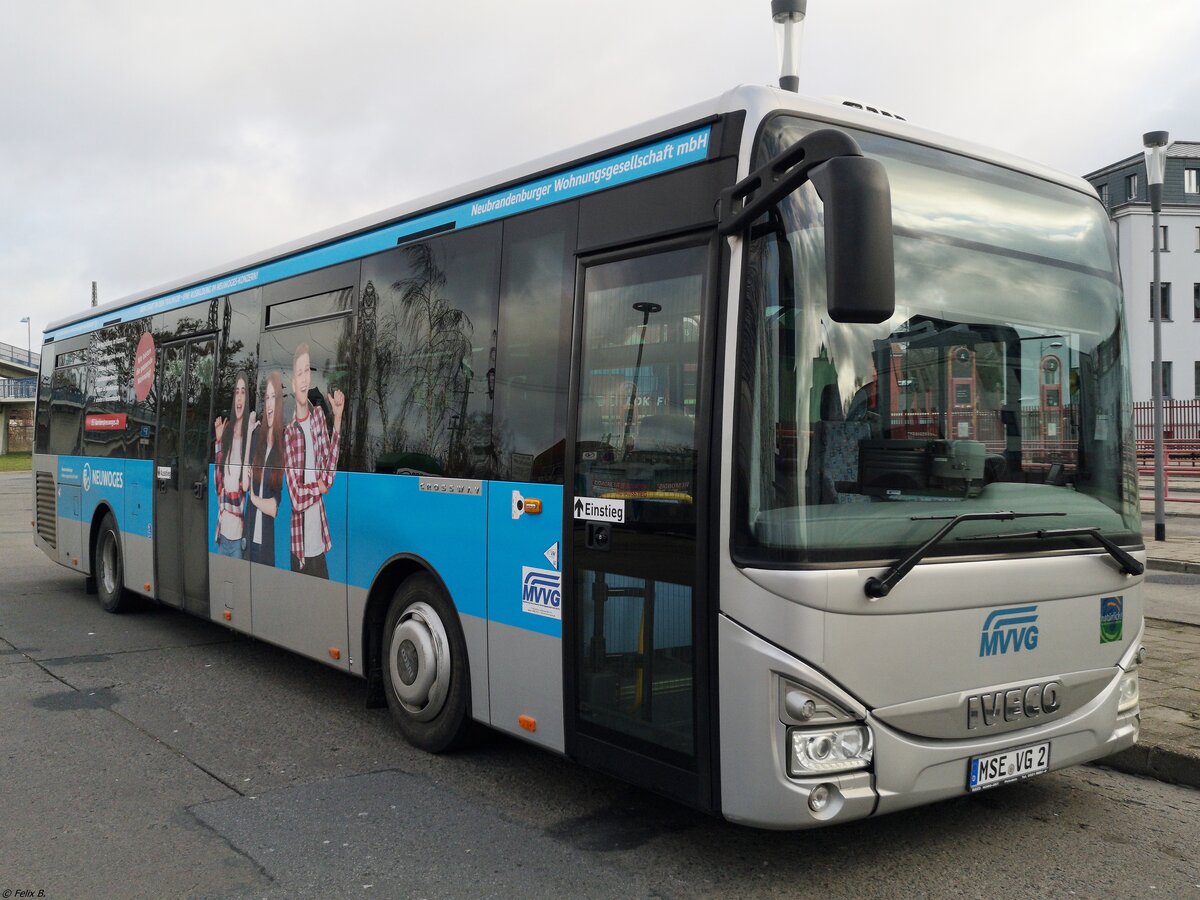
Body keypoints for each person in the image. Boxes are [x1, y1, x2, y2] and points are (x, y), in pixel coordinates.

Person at [283, 344, 344, 577]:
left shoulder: (319, 417)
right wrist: (319, 487)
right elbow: (296, 498)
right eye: (299, 372)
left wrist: (337, 420)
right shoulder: (289, 433)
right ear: (293, 383)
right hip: (299, 550)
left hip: (319, 542)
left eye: (307, 370)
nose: (304, 378)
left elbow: (329, 475)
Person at [246, 370, 284, 566]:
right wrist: (249, 432)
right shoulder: (256, 439)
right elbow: (245, 483)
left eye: (273, 397)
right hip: (248, 535)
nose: (269, 403)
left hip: (266, 543)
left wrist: (253, 499)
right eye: (266, 398)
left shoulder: (281, 447)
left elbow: (275, 507)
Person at [213, 372, 252, 557]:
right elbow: (218, 486)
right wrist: (218, 442)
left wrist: (226, 498)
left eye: (243, 392)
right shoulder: (227, 434)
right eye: (237, 391)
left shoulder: (250, 437)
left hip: (238, 540)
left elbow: (242, 495)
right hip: (222, 535)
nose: (239, 397)